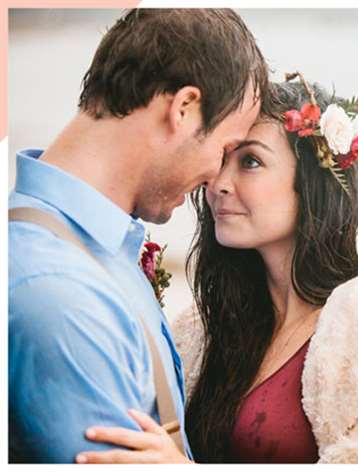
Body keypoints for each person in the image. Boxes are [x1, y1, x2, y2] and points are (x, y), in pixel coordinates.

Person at [77, 73, 358, 464]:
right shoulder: (201, 329)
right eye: (222, 159)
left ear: (314, 184)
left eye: (251, 162)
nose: (218, 183)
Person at [9, 8, 267, 463]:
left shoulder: (92, 247)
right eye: (225, 149)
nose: (215, 177)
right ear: (183, 109)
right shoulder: (61, 297)